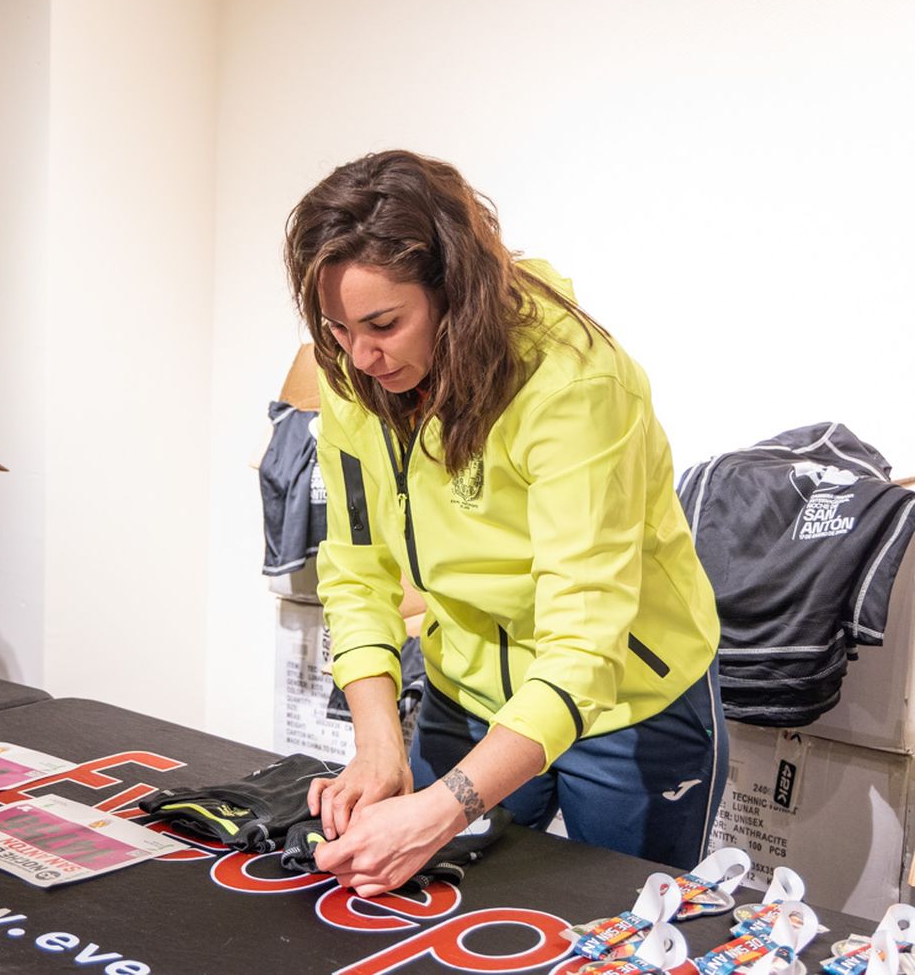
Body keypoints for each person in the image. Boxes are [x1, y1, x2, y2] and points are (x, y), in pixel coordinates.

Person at [284, 150, 726, 897]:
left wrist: (440, 810)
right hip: (468, 690)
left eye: (384, 323)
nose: (359, 355)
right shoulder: (353, 373)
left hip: (624, 705)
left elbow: (585, 645)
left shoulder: (576, 382)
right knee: (421, 918)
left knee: (618, 929)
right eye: (336, 326)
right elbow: (355, 570)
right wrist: (377, 745)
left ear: (453, 291)